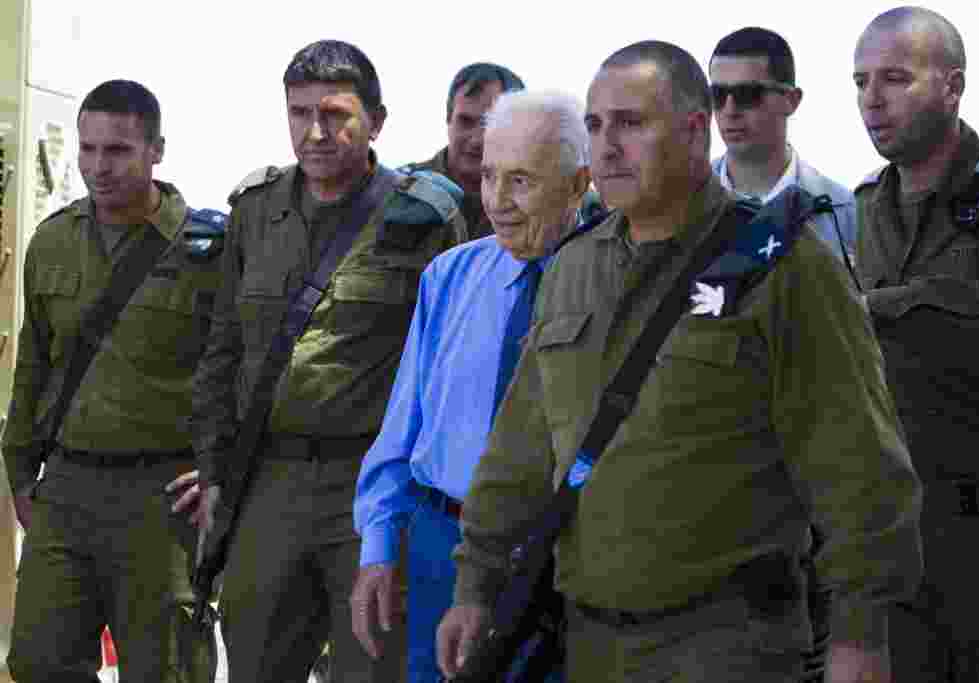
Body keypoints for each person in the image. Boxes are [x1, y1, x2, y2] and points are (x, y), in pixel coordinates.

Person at [436, 40, 923, 683]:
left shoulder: (783, 266)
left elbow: (858, 465)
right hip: (587, 642)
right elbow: (521, 447)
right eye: (595, 125)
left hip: (727, 644)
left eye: (631, 123)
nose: (606, 145)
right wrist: (474, 585)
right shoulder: (574, 267)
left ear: (696, 132)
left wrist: (860, 636)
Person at [170, 40, 467, 683]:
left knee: (373, 665)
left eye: (334, 114)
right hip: (268, 481)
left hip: (374, 491)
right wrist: (216, 469)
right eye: (299, 112)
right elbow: (222, 350)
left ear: (376, 122)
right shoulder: (255, 209)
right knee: (254, 660)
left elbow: (450, 373)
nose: (315, 132)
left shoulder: (425, 216)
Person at [352, 89, 591, 682]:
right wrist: (378, 548)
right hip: (442, 545)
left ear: (578, 183)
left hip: (561, 562)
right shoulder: (451, 276)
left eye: (521, 182)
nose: (498, 202)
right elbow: (404, 425)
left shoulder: (614, 285)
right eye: (488, 176)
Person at [2, 79, 219, 682]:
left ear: (157, 149)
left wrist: (220, 471)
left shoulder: (208, 250)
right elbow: (34, 369)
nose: (99, 166)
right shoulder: (52, 242)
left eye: (118, 150)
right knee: (39, 660)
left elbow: (239, 375)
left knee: (166, 668)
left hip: (164, 496)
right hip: (67, 487)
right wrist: (20, 471)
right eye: (88, 148)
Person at [853, 7, 979, 680]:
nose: (872, 99)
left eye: (895, 78)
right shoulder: (864, 209)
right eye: (861, 80)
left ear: (952, 87)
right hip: (892, 547)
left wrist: (886, 307)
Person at [709, 26, 857, 263]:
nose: (729, 110)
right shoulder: (681, 203)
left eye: (748, 94)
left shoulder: (843, 212)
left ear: (791, 100)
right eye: (717, 95)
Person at [399, 62, 525, 238]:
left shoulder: (536, 203)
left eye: (491, 125)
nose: (477, 140)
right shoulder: (400, 192)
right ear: (448, 118)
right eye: (465, 121)